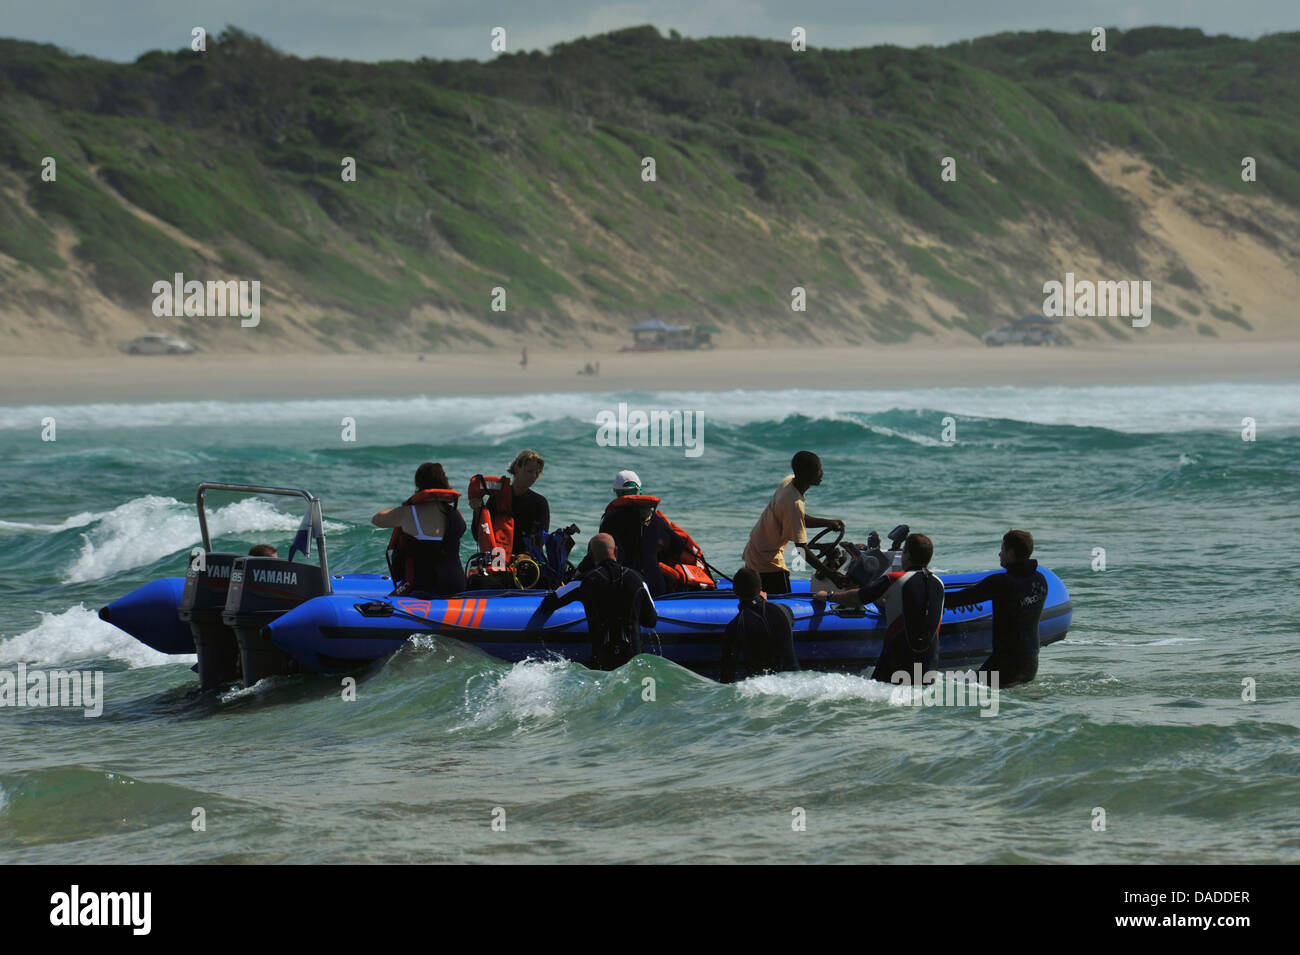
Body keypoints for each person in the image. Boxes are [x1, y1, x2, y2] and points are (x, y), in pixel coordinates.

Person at [817, 533, 945, 684]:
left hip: (896, 664)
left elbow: (856, 598)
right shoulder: (939, 584)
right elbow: (916, 609)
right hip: (928, 668)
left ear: (908, 555)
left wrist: (829, 596)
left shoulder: (895, 579)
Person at [944, 529, 1048, 686]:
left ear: (1011, 553)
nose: (999, 554)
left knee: (965, 693)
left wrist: (925, 592)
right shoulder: (1040, 580)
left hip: (1004, 666)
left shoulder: (1001, 582)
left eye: (1002, 550)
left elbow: (959, 599)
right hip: (1030, 663)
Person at [541, 533, 658, 670]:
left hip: (602, 661)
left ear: (591, 555)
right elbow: (651, 620)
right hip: (633, 662)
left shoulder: (585, 581)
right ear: (616, 551)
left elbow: (548, 604)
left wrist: (562, 588)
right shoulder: (637, 579)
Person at [742, 450, 845, 595]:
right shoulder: (793, 503)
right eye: (818, 470)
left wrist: (827, 523)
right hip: (767, 561)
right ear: (805, 474)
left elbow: (796, 517)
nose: (822, 473)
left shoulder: (789, 482)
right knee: (781, 604)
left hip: (756, 550)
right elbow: (802, 550)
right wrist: (831, 574)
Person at [372, 462, 467, 597]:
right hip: (457, 586)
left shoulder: (409, 513)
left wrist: (401, 509)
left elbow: (377, 519)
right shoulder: (456, 514)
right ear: (445, 482)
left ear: (419, 484)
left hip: (424, 588)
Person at [596, 469, 676, 596]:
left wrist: (579, 573)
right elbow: (677, 546)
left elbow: (601, 552)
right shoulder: (656, 519)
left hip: (627, 587)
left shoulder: (610, 519)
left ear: (616, 492)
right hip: (656, 587)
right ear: (640, 491)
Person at [719, 568, 799, 683]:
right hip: (795, 682)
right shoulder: (784, 610)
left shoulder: (736, 625)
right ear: (761, 588)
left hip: (762, 688)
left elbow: (727, 673)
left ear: (735, 592)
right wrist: (762, 603)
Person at [507, 449, 549, 556]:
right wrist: (477, 509)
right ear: (517, 468)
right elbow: (478, 534)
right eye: (530, 471)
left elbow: (541, 538)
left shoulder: (540, 503)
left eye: (537, 472)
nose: (534, 476)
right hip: (499, 557)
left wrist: (526, 554)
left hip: (528, 560)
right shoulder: (498, 498)